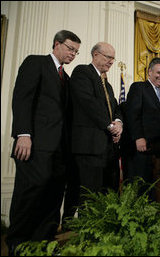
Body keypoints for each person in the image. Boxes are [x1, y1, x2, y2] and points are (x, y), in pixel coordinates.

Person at [7, 30, 81, 255]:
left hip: (59, 150)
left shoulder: (66, 78)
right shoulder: (35, 63)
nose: (73, 54)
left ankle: (45, 243)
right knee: (29, 193)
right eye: (70, 48)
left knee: (53, 196)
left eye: (76, 52)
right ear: (57, 44)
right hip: (34, 144)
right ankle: (18, 244)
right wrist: (23, 133)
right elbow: (22, 98)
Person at [69, 42, 122, 207]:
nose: (111, 62)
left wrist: (119, 123)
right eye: (108, 57)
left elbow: (115, 107)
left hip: (107, 149)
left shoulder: (108, 85)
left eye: (113, 58)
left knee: (104, 194)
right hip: (89, 146)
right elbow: (88, 103)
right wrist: (110, 126)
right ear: (96, 55)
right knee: (88, 195)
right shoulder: (82, 72)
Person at [120, 57, 160, 191]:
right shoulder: (139, 87)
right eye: (159, 73)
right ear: (149, 72)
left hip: (159, 150)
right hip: (140, 148)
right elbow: (132, 114)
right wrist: (138, 137)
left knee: (154, 188)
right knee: (137, 186)